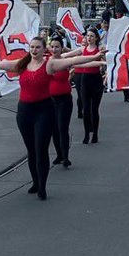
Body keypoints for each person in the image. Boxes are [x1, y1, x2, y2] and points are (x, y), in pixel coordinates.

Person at [0, 37, 104, 199]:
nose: (34, 50)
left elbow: (73, 60)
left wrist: (94, 57)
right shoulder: (22, 64)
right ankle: (35, 182)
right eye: (32, 47)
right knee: (31, 150)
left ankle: (42, 186)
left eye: (37, 47)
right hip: (24, 112)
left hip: (44, 110)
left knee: (41, 148)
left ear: (44, 49)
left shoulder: (49, 64)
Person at [47, 36, 100, 169]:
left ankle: (65, 157)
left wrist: (100, 62)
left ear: (61, 48)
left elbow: (82, 63)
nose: (54, 49)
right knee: (54, 129)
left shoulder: (65, 61)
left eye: (57, 47)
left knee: (62, 127)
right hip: (50, 100)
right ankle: (59, 155)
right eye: (52, 46)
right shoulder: (45, 61)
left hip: (64, 99)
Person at [77, 28, 105, 142]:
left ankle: (95, 134)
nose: (89, 38)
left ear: (96, 38)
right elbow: (70, 54)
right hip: (85, 80)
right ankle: (86, 133)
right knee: (86, 109)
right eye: (88, 36)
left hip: (96, 80)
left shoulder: (99, 50)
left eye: (92, 36)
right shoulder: (83, 49)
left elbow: (106, 61)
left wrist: (106, 72)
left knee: (94, 109)